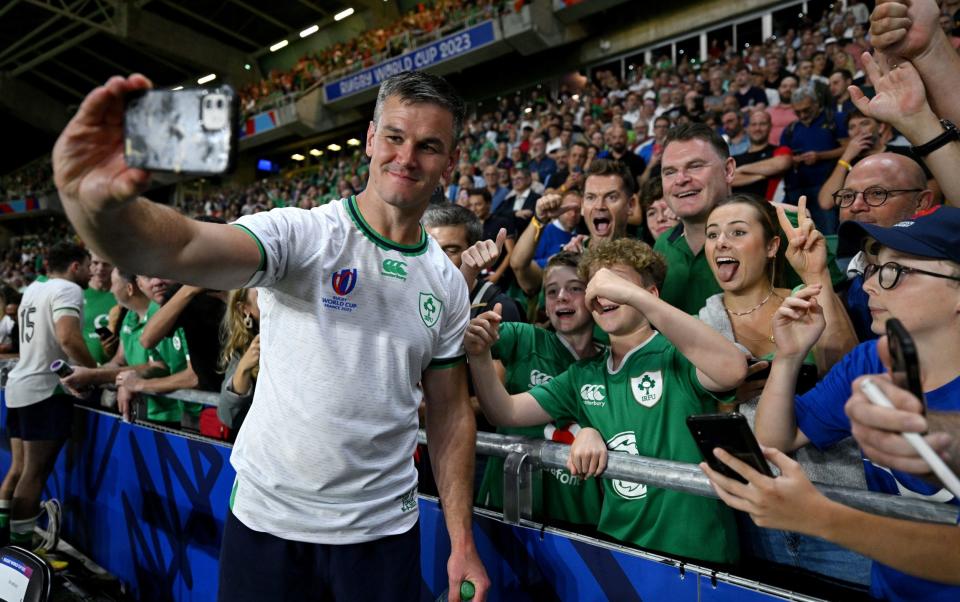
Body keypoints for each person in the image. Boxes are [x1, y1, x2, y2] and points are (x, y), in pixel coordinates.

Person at [52, 72, 489, 601]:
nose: (407, 157)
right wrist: (100, 208)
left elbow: (449, 413)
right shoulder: (303, 235)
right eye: (395, 137)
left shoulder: (445, 282)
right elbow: (183, 246)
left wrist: (462, 539)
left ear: (450, 159)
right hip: (269, 526)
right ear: (371, 139)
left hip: (380, 536)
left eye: (428, 146)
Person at [466, 238, 747, 564]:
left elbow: (733, 370)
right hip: (615, 545)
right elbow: (505, 410)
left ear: (649, 294)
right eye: (598, 287)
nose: (606, 294)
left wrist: (634, 296)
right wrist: (480, 357)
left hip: (693, 549)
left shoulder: (676, 354)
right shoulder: (583, 374)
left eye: (617, 284)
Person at [753, 206, 960, 601]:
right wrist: (789, 356)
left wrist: (821, 517)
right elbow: (776, 438)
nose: (869, 287)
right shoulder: (870, 361)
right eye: (873, 267)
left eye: (896, 271)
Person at [697, 195, 867, 584]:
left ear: (773, 246)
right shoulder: (698, 324)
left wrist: (816, 275)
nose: (721, 242)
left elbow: (849, 377)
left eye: (737, 232)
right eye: (713, 234)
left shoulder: (805, 300)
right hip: (752, 519)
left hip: (834, 507)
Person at [655, 122, 844, 315]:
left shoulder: (784, 227)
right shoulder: (662, 246)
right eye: (669, 172)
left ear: (728, 170)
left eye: (695, 166)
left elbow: (835, 324)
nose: (680, 179)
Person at [473, 252, 603, 527]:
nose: (562, 297)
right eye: (552, 291)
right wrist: (477, 336)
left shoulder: (609, 363)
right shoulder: (525, 337)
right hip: (509, 507)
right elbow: (454, 334)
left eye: (575, 288)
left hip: (578, 515)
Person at [1, 242, 96, 547]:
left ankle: (5, 538)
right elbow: (67, 336)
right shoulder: (68, 289)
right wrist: (93, 370)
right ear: (74, 267)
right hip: (45, 390)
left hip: (19, 386)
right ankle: (19, 551)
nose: (92, 271)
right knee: (34, 473)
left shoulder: (33, 289)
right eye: (88, 264)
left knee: (18, 469)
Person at [831, 153, 936, 342]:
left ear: (921, 202)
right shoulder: (848, 283)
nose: (856, 206)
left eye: (877, 193)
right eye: (848, 196)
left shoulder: (942, 277)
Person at [422, 203, 524, 323]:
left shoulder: (500, 307)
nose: (437, 259)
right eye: (429, 249)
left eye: (451, 250)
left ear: (475, 250)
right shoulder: (412, 294)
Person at [780, 87, 848, 234]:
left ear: (816, 104)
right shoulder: (790, 129)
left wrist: (820, 156)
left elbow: (849, 148)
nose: (803, 115)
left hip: (826, 188)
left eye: (807, 110)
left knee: (828, 233)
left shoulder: (835, 119)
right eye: (797, 112)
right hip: (796, 189)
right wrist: (793, 159)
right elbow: (781, 158)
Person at [217, 288, 259, 432]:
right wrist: (243, 368)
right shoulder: (244, 347)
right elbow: (227, 416)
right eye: (260, 293)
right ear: (245, 308)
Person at [731, 110, 793, 201]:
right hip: (738, 209)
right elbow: (729, 180)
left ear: (770, 127)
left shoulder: (779, 150)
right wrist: (766, 174)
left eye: (762, 124)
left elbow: (782, 164)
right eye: (753, 124)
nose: (757, 128)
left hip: (769, 209)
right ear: (747, 128)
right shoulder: (735, 159)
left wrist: (740, 170)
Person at [82, 253, 117, 365]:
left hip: (120, 368)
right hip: (85, 368)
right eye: (95, 263)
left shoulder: (124, 294)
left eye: (106, 264)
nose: (100, 268)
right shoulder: (78, 292)